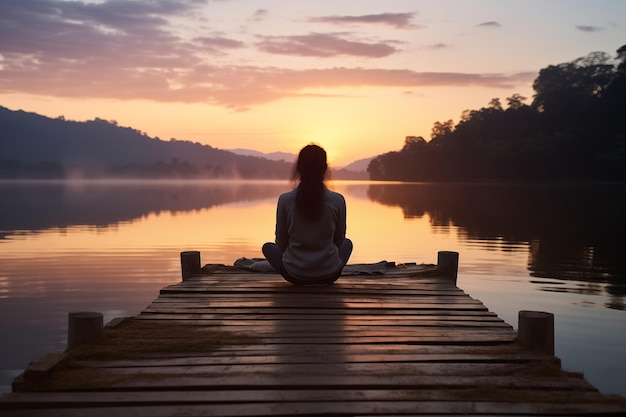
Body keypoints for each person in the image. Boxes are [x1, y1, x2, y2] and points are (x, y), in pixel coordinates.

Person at [262, 144, 353, 285]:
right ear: (324, 168)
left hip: (294, 275)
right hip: (329, 275)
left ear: (299, 168)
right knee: (348, 244)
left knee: (267, 247)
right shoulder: (337, 200)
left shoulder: (285, 200)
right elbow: (339, 240)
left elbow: (281, 243)